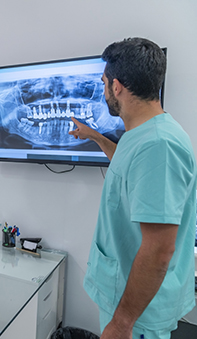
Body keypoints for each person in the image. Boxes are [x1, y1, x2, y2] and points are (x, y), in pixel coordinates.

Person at [69, 37, 197, 339]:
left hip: (138, 317)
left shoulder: (159, 146)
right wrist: (96, 137)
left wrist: (123, 322)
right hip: (124, 294)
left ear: (117, 87)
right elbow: (127, 168)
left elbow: (159, 248)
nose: (103, 92)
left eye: (103, 83)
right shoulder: (140, 134)